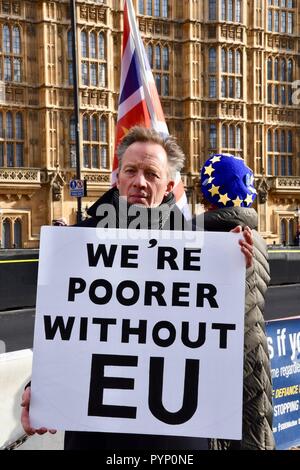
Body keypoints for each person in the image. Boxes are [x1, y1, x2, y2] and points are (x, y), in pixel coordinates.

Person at [21, 127, 253, 450]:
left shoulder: (203, 250)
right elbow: (64, 330)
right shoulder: (77, 244)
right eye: (130, 171)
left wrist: (237, 269)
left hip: (174, 440)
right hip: (98, 436)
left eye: (151, 173)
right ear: (117, 177)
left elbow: (223, 339)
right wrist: (41, 385)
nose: (139, 182)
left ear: (170, 185)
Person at [196, 153, 275, 451]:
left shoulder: (210, 238)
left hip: (226, 361)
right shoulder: (256, 235)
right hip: (255, 355)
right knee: (255, 429)